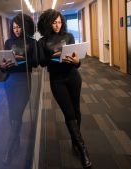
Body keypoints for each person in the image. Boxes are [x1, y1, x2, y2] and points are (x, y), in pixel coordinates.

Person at [37, 9, 92, 168]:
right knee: (68, 113)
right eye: (54, 22)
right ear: (48, 23)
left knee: (76, 111)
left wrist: (76, 62)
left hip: (73, 77)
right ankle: (83, 149)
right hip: (57, 80)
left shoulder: (69, 36)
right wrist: (56, 56)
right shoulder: (42, 41)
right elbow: (42, 62)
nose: (57, 25)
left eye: (59, 22)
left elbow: (77, 59)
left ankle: (75, 141)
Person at [1, 13, 38, 165]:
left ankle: (10, 147)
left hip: (24, 81)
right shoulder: (8, 42)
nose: (16, 30)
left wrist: (22, 60)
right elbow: (4, 65)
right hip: (10, 82)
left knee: (17, 113)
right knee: (13, 114)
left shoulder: (31, 42)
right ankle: (16, 143)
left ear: (24, 27)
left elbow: (35, 63)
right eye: (14, 27)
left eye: (19, 27)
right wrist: (2, 66)